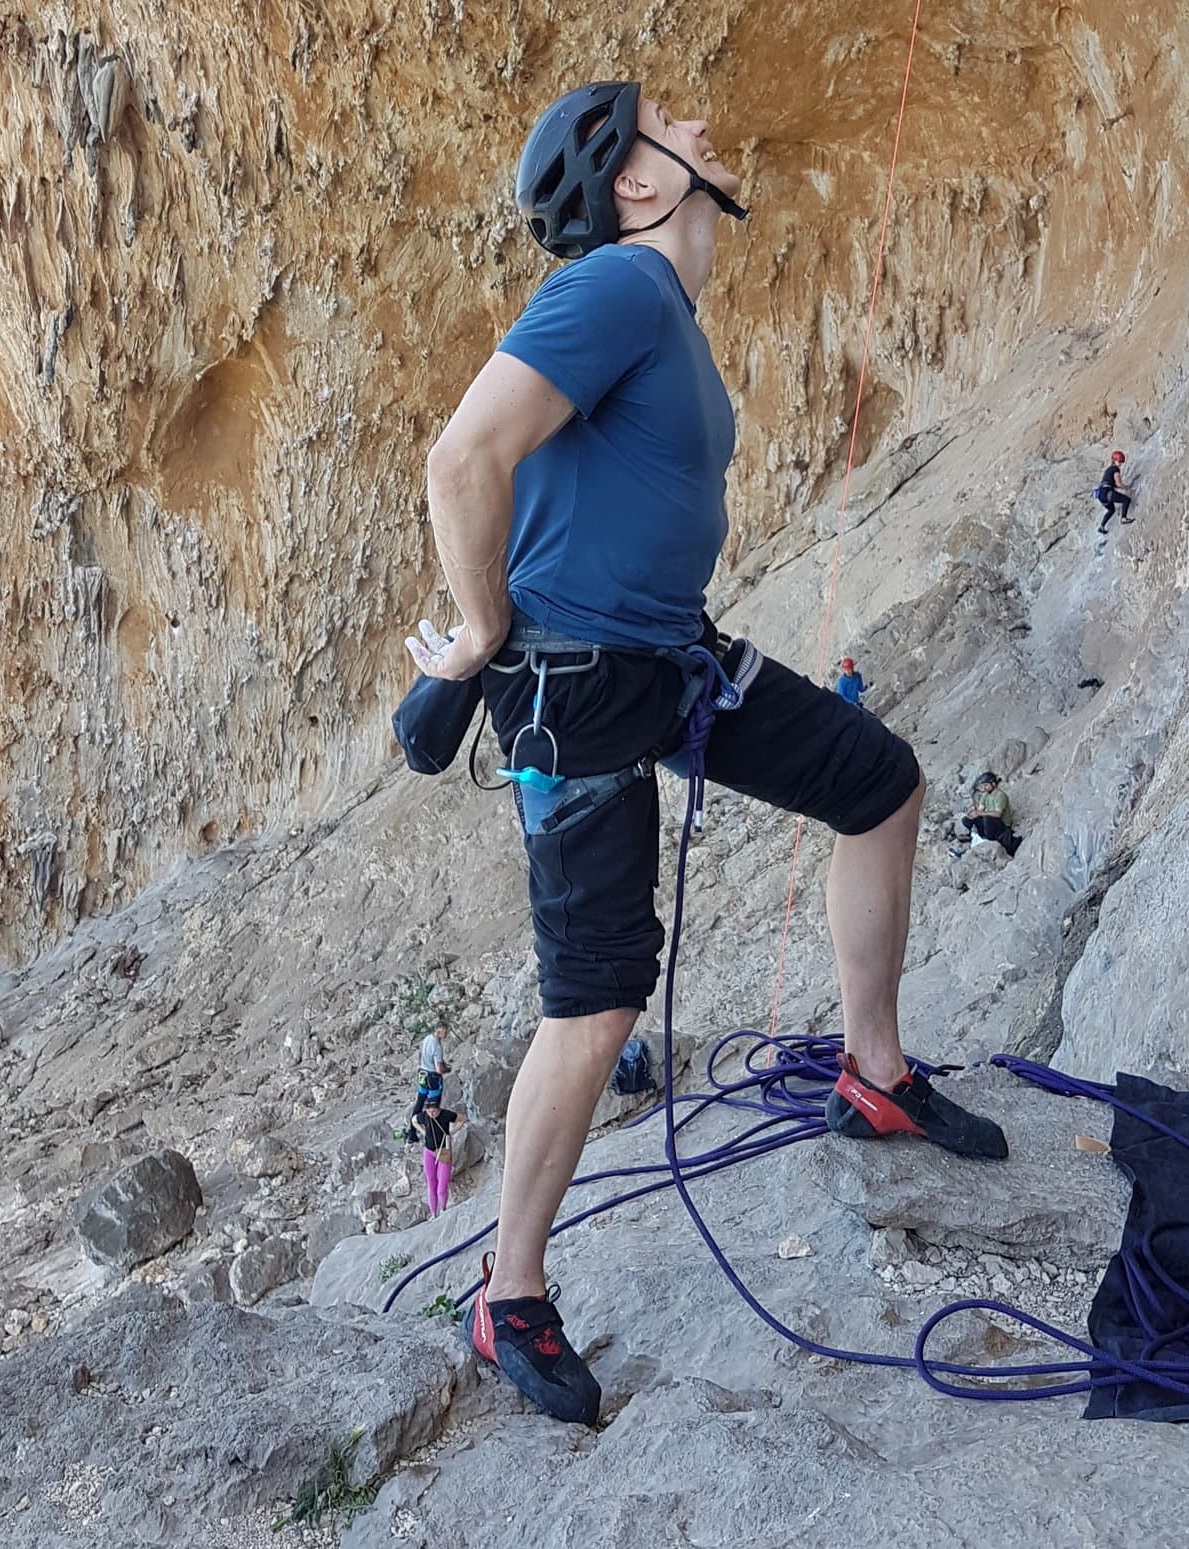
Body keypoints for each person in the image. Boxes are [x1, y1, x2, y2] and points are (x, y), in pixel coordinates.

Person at [408, 79, 1007, 1429]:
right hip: (573, 684)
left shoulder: (658, 309)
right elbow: (463, 460)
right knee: (600, 994)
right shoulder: (615, 290)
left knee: (879, 782)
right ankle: (510, 1289)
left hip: (664, 658)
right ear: (633, 183)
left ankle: (876, 1072)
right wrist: (487, 625)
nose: (702, 121)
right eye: (669, 120)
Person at [411, 1095, 463, 1217]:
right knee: (431, 1182)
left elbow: (461, 1119)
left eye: (434, 1111)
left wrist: (451, 1133)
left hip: (444, 1151)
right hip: (429, 1151)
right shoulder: (424, 1116)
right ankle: (434, 1213)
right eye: (429, 1111)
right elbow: (414, 1120)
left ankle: (443, 1208)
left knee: (441, 1187)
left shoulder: (445, 1115)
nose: (431, 1114)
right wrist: (423, 1131)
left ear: (438, 1109)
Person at [963, 770, 1018, 856]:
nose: (984, 788)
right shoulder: (985, 795)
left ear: (993, 784)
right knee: (967, 819)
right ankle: (976, 836)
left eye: (986, 785)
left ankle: (989, 841)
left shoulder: (1000, 795)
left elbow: (998, 814)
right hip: (989, 822)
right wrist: (973, 814)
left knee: (987, 819)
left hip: (1001, 825)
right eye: (983, 786)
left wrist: (981, 813)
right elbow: (980, 810)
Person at [1096, 450, 1133, 535]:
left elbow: (1111, 483)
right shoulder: (1115, 469)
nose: (1120, 464)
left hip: (1101, 494)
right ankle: (1124, 518)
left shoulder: (1108, 470)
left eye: (1122, 462)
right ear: (1114, 460)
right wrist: (1127, 487)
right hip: (1107, 492)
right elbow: (1118, 483)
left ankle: (1101, 527)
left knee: (1111, 510)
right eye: (1119, 461)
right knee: (1126, 500)